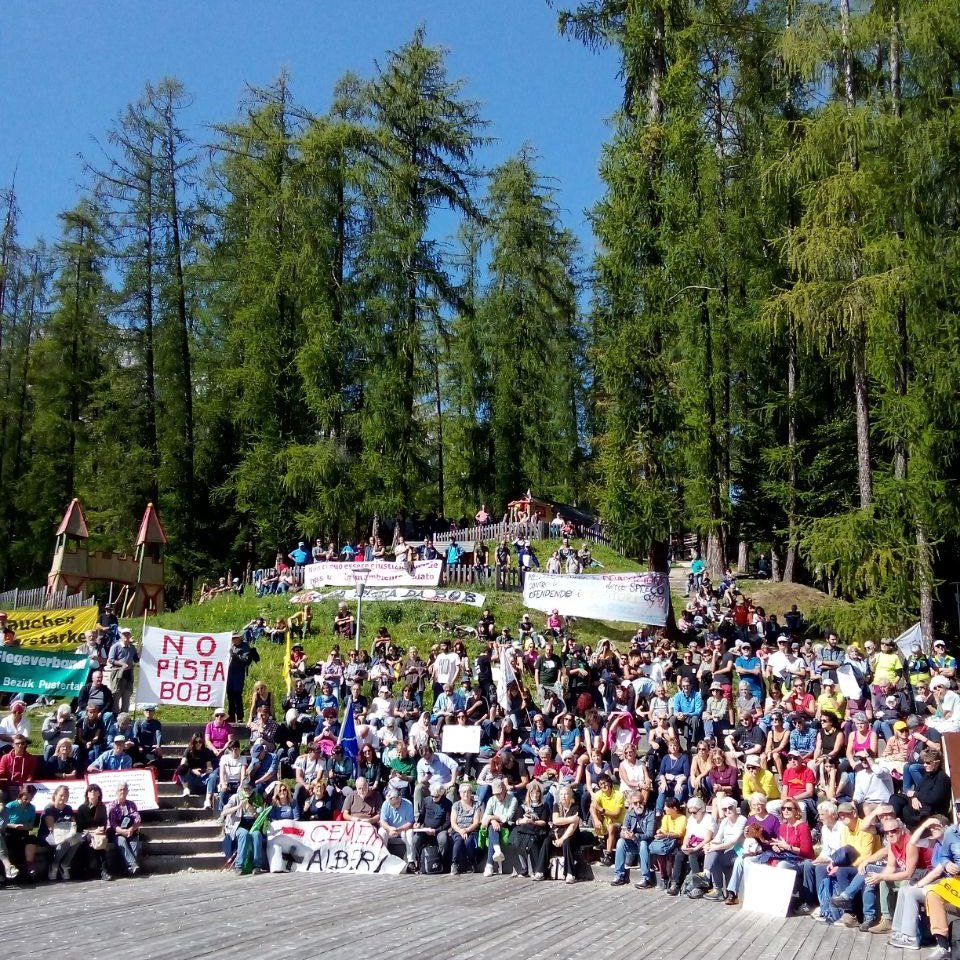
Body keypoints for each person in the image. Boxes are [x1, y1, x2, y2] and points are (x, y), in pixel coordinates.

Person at [702, 795, 747, 900]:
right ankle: (708, 876)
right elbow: (718, 838)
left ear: (735, 807)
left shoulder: (742, 820)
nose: (728, 810)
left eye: (730, 807)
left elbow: (732, 842)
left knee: (715, 858)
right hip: (726, 848)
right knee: (711, 852)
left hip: (738, 850)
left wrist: (714, 847)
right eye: (724, 809)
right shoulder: (725, 821)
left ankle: (714, 885)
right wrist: (709, 844)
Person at [219, 782, 267, 875]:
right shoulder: (235, 797)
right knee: (244, 834)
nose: (247, 791)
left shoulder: (257, 798)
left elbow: (261, 816)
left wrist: (252, 811)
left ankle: (257, 865)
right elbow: (224, 812)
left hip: (253, 824)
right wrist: (238, 807)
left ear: (253, 789)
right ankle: (239, 865)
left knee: (256, 835)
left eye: (249, 789)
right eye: (245, 789)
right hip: (239, 824)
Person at [511, 779, 551, 879]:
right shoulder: (523, 806)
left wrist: (533, 821)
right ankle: (523, 868)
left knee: (531, 840)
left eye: (537, 792)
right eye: (532, 792)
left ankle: (537, 869)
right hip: (525, 829)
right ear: (529, 793)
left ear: (540, 794)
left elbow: (544, 822)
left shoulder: (544, 806)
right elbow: (517, 820)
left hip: (538, 830)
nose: (535, 794)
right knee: (517, 838)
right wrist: (523, 820)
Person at [413, 780, 452, 871]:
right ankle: (418, 862)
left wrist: (436, 830)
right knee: (415, 840)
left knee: (443, 839)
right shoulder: (426, 800)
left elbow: (447, 822)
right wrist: (418, 823)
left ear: (441, 794)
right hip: (426, 829)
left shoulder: (447, 803)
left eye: (436, 797)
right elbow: (422, 815)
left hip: (439, 830)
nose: (434, 798)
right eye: (432, 796)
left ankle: (442, 863)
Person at [75, 783, 111, 881]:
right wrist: (93, 830)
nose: (93, 792)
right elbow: (80, 827)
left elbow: (104, 823)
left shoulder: (102, 807)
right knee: (87, 841)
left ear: (99, 794)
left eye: (95, 790)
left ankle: (104, 871)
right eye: (90, 790)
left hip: (98, 833)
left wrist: (100, 830)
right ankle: (85, 870)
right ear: (87, 794)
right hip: (85, 832)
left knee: (100, 842)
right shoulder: (82, 808)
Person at [481, 779, 517, 877]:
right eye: (496, 794)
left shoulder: (512, 799)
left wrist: (492, 818)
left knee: (492, 828)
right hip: (495, 825)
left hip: (509, 825)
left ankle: (489, 865)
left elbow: (508, 817)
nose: (498, 796)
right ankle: (497, 851)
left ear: (504, 790)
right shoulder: (492, 800)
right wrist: (492, 821)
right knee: (492, 828)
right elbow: (484, 820)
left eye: (499, 793)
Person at [590, 772, 625, 866]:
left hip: (619, 822)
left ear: (609, 783)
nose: (603, 785)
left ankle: (608, 855)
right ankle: (601, 837)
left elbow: (616, 814)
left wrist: (601, 809)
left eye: (605, 783)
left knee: (611, 827)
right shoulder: (598, 794)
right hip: (605, 821)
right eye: (601, 784)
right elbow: (592, 807)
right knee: (594, 811)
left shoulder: (618, 795)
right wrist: (596, 820)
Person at [107, 782, 141, 876]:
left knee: (135, 845)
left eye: (124, 789)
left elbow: (137, 818)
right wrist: (122, 832)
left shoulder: (131, 804)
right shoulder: (112, 806)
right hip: (117, 833)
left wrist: (131, 829)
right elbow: (112, 823)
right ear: (116, 792)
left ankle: (129, 869)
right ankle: (133, 865)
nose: (122, 791)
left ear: (128, 791)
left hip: (131, 831)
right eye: (120, 789)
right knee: (122, 842)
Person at [4, 784, 38, 878]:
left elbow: (31, 825)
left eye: (31, 796)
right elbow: (3, 822)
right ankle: (7, 870)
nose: (28, 798)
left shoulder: (31, 808)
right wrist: (14, 826)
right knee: (9, 843)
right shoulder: (10, 806)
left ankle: (29, 866)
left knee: (32, 839)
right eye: (27, 795)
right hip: (10, 831)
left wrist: (26, 827)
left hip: (24, 831)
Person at [226, 634, 260, 723]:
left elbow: (244, 660)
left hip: (238, 673)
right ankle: (231, 716)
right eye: (232, 638)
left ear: (239, 638)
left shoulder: (245, 647)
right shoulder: (231, 646)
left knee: (237, 695)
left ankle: (240, 717)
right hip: (229, 673)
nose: (234, 640)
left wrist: (235, 656)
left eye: (235, 638)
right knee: (230, 695)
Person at [105, 627, 140, 714]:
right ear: (121, 635)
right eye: (124, 634)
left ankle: (124, 718)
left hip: (128, 676)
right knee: (116, 697)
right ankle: (115, 717)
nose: (126, 636)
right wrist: (122, 664)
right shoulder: (115, 646)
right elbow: (110, 660)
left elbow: (136, 659)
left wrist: (140, 648)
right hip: (117, 675)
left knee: (126, 699)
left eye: (128, 634)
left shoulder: (132, 647)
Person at [450, 783, 483, 874]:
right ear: (460, 793)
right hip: (458, 830)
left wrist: (467, 830)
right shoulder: (456, 805)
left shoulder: (476, 805)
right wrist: (461, 831)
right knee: (459, 841)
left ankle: (472, 862)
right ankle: (454, 864)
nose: (466, 794)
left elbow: (476, 821)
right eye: (464, 792)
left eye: (468, 792)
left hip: (471, 830)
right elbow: (453, 822)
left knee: (469, 841)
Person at [379, 788, 416, 868]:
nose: (395, 805)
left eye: (396, 803)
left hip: (403, 829)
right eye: (392, 804)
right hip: (390, 830)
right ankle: (382, 858)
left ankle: (411, 861)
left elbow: (410, 822)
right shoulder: (386, 804)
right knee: (381, 832)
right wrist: (389, 828)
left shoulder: (408, 804)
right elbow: (382, 821)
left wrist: (399, 829)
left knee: (410, 832)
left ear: (400, 798)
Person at [552, 784, 581, 884]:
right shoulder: (557, 806)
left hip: (572, 835)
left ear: (571, 796)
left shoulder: (575, 807)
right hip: (558, 833)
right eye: (561, 794)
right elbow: (555, 821)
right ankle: (540, 870)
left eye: (566, 794)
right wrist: (571, 819)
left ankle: (570, 873)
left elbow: (573, 826)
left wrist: (562, 839)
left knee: (567, 842)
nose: (563, 796)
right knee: (547, 840)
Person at [177, 733, 217, 805]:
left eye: (200, 742)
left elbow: (210, 768)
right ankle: (186, 788)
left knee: (213, 775)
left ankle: (207, 800)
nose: (198, 744)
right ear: (193, 742)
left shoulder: (206, 751)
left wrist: (203, 771)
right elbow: (182, 764)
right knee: (181, 768)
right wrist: (192, 770)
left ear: (202, 742)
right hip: (191, 776)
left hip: (202, 776)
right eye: (196, 742)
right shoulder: (188, 750)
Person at [0, 733, 40, 798]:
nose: (20, 745)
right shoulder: (5, 758)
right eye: (17, 743)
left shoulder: (31, 758)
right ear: (13, 745)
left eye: (22, 743)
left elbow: (30, 775)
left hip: (24, 786)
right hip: (8, 785)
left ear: (25, 744)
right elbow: (2, 772)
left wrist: (24, 787)